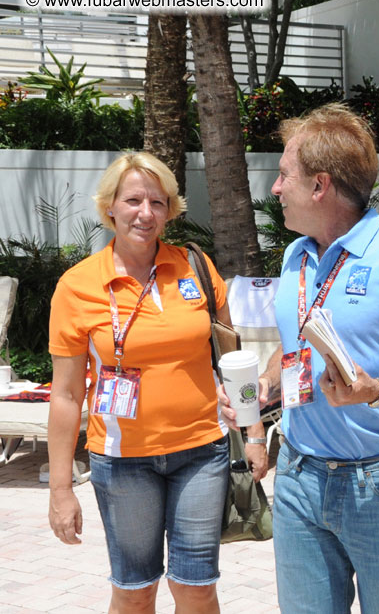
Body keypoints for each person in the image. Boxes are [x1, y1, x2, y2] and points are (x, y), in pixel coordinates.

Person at [218, 103, 379, 614]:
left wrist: (378, 390)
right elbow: (294, 350)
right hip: (297, 475)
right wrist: (267, 387)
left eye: (283, 175)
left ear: (320, 186)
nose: (275, 189)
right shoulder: (298, 254)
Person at [46, 152, 261, 614]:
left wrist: (255, 434)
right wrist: (61, 490)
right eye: (133, 200)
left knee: (197, 588)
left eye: (158, 202)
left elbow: (234, 362)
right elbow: (65, 396)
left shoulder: (195, 268)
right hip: (123, 462)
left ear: (170, 209)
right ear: (110, 207)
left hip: (202, 452)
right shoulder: (78, 286)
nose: (146, 213)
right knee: (135, 591)